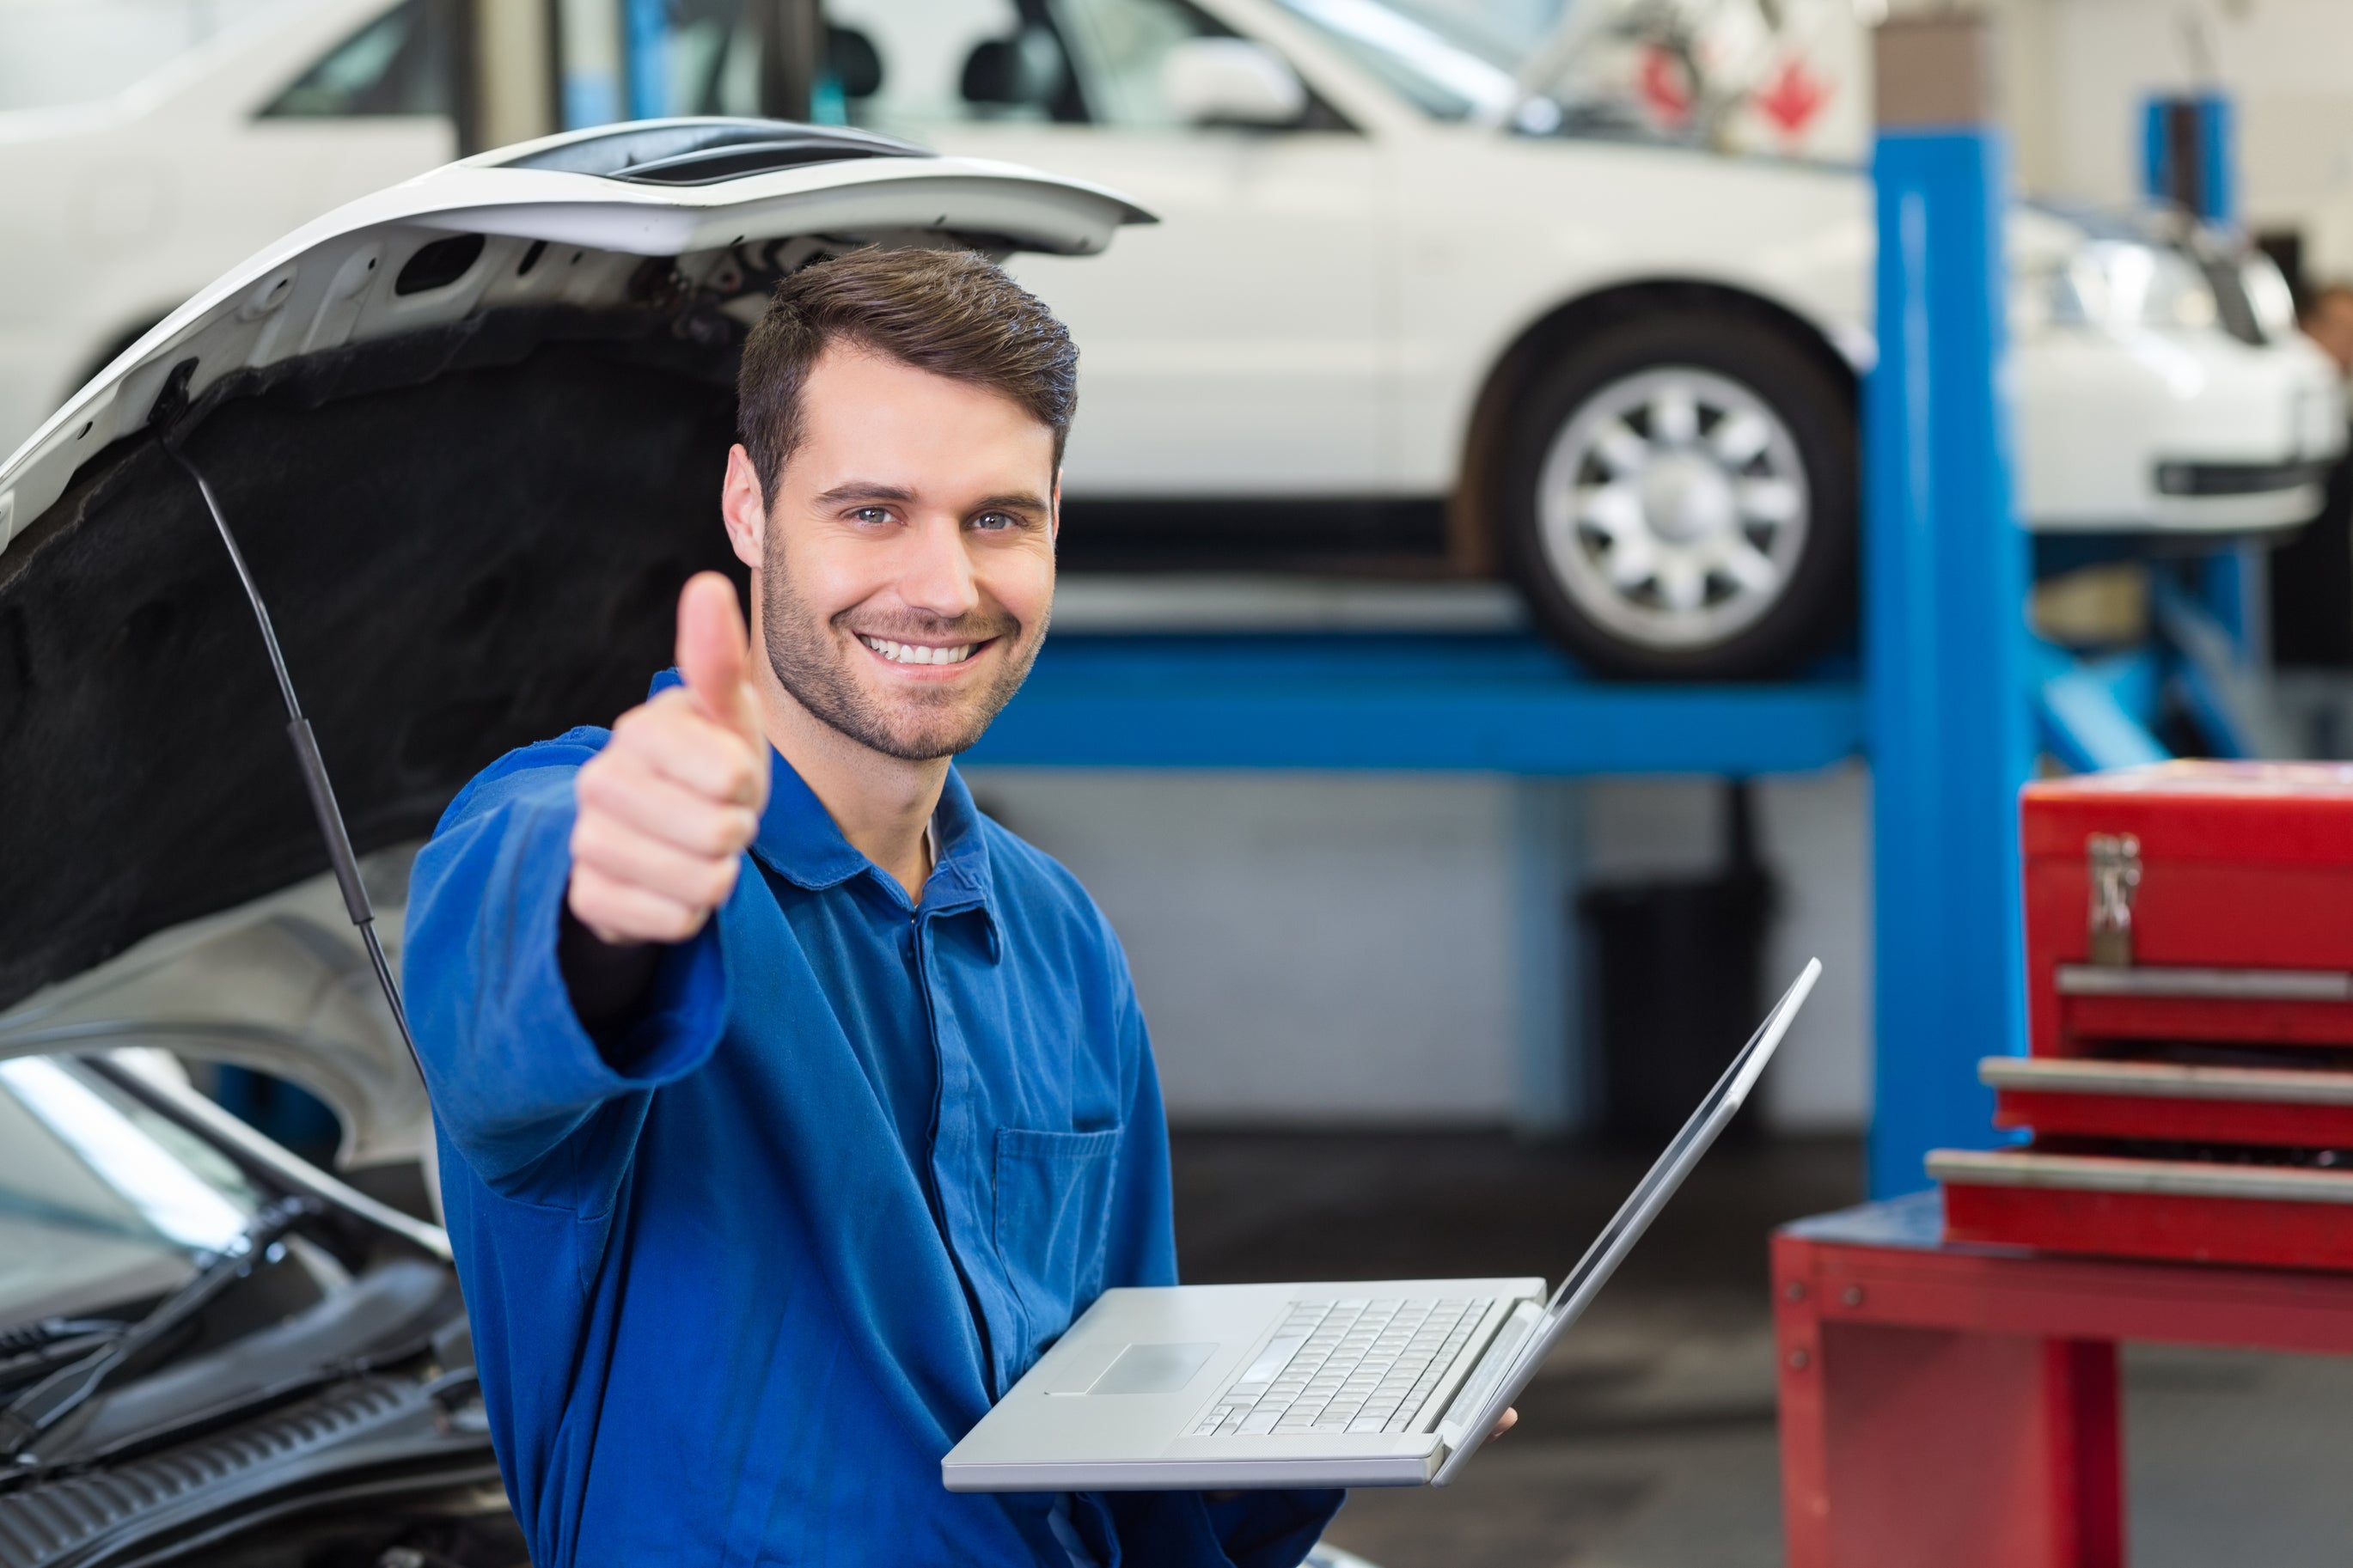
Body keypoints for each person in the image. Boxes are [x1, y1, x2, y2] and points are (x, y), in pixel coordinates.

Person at [405, 247, 1370, 1565]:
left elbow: (1121, 1442)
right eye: (872, 511)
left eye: (997, 518)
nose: (943, 586)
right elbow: (511, 987)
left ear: (1054, 520)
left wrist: (1308, 1425)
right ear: (748, 508)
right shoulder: (577, 824)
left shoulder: (1057, 936)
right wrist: (615, 907)